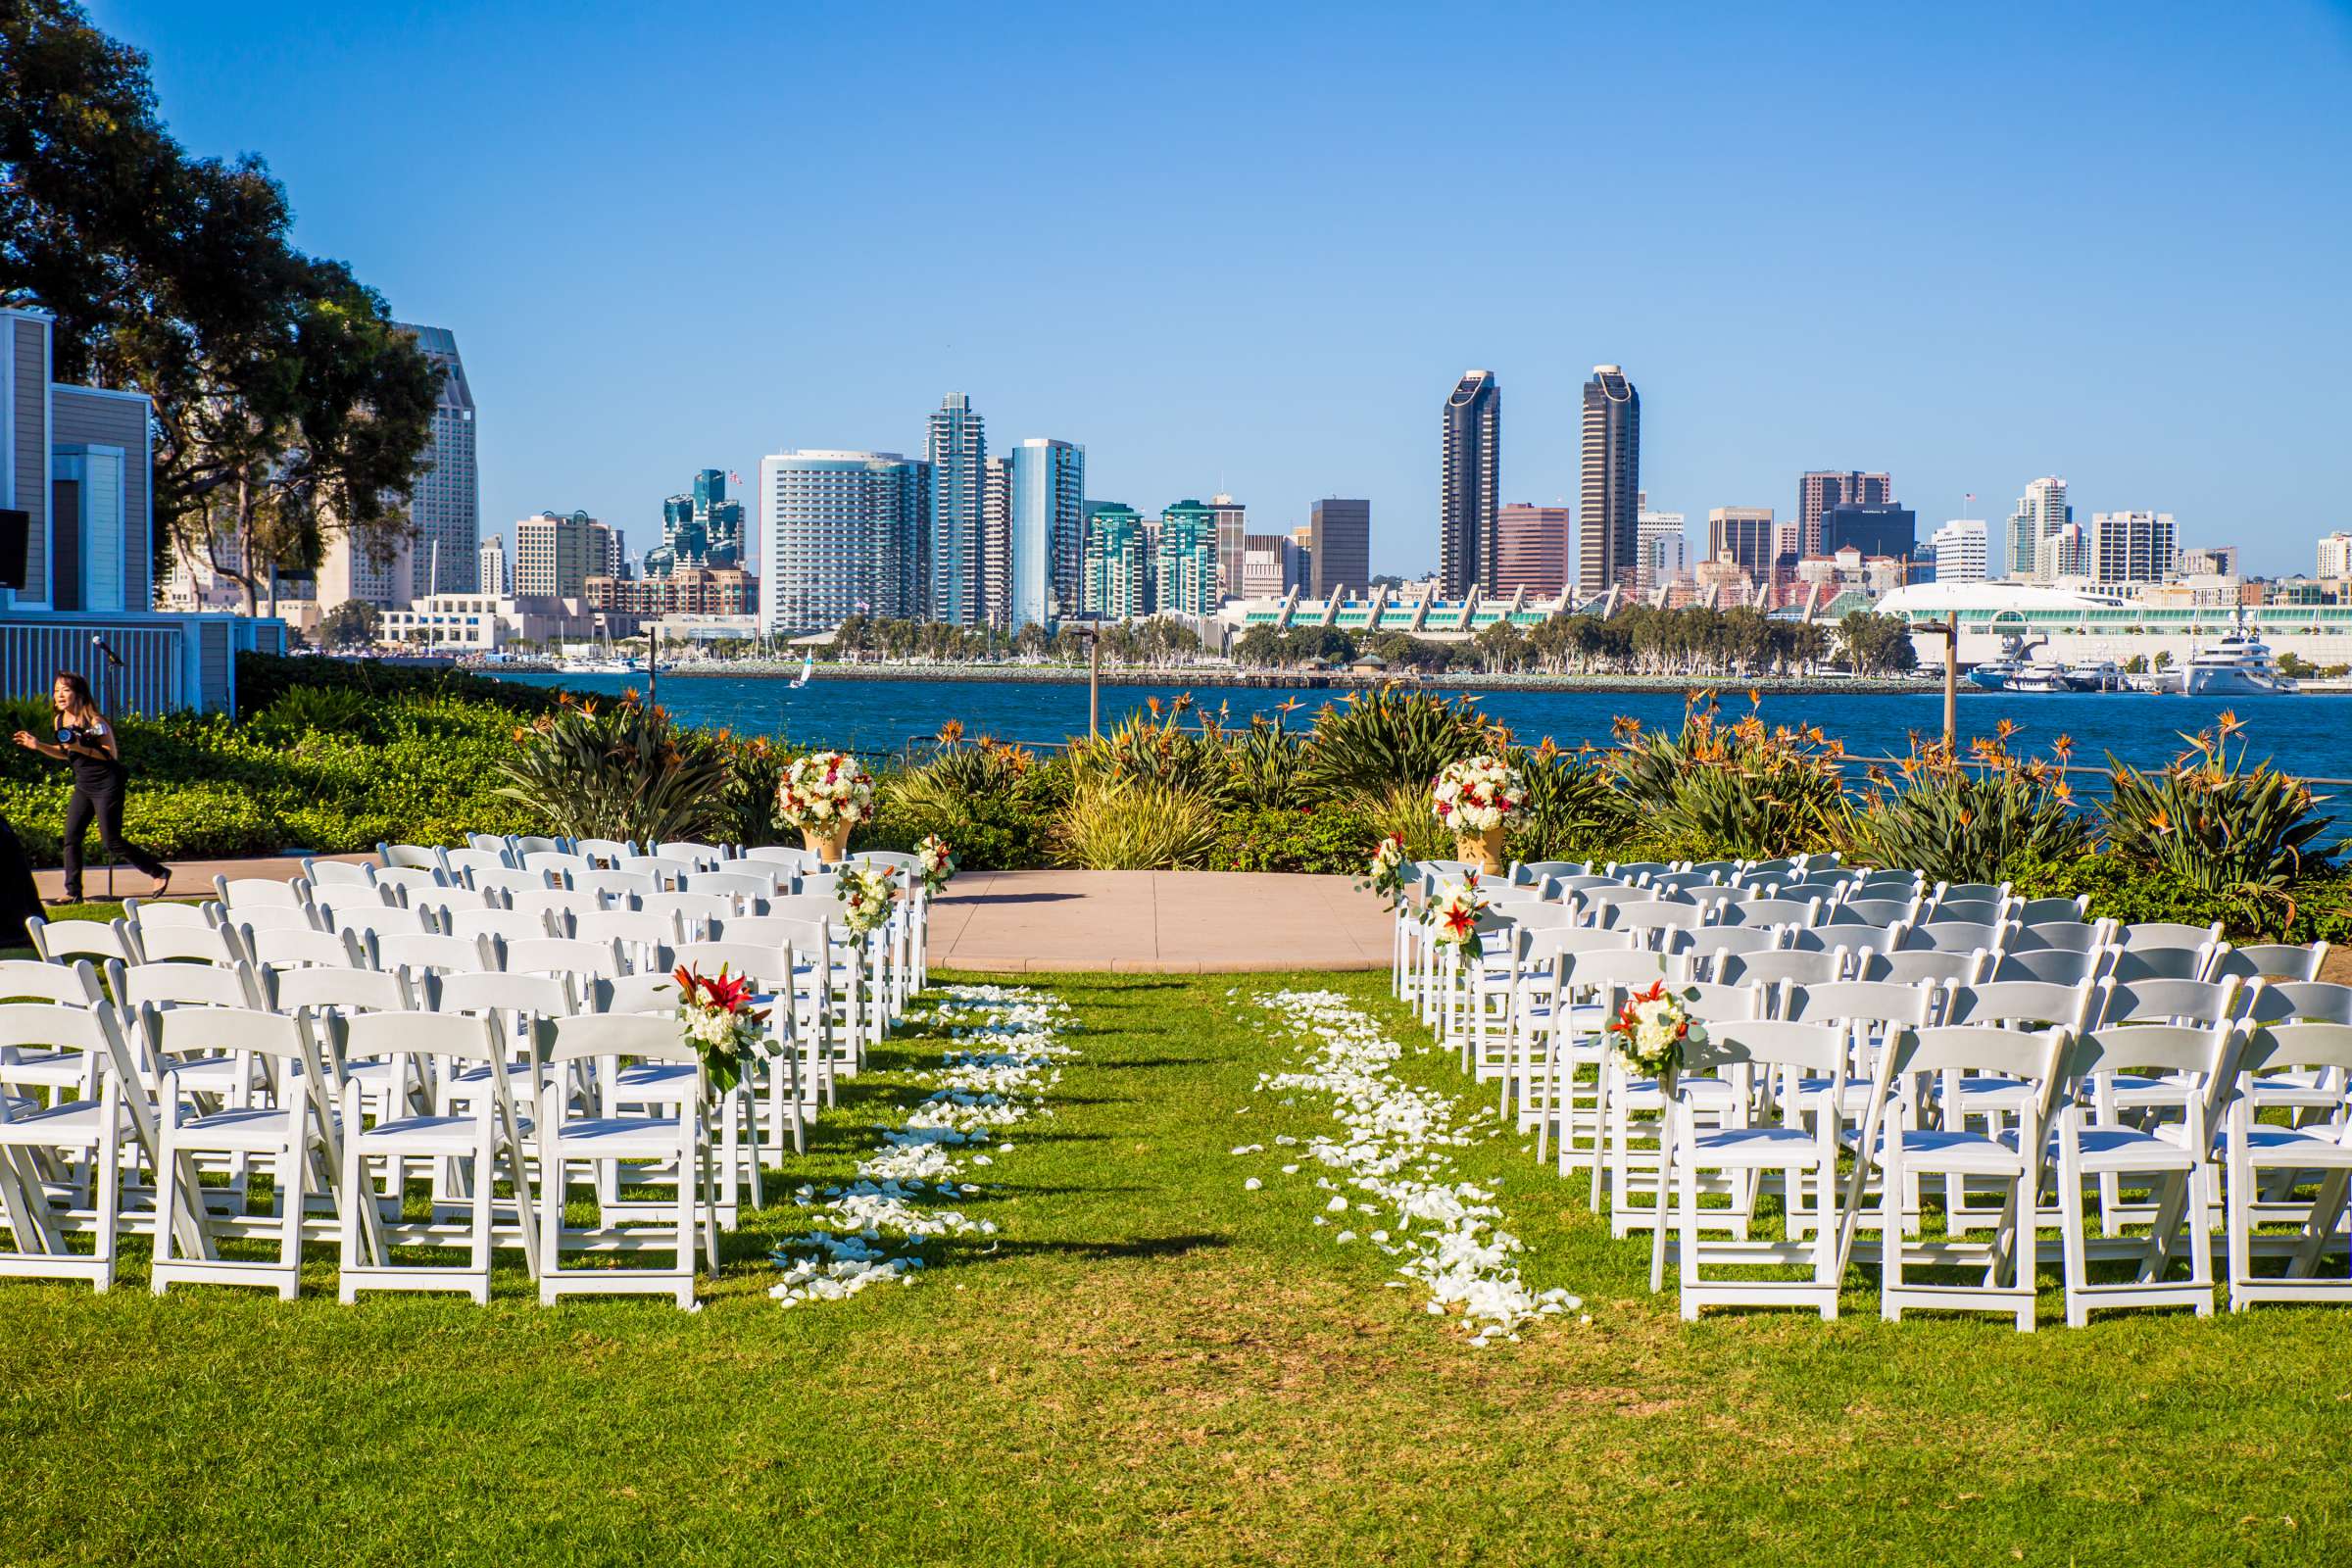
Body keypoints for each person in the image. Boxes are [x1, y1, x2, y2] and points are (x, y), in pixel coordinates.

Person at [12, 669, 171, 903]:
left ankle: (158, 872)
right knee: (71, 837)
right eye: (56, 690)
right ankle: (73, 892)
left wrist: (80, 747)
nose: (59, 695)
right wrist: (38, 745)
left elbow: (110, 754)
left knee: (111, 840)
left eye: (65, 690)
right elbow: (66, 753)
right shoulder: (60, 720)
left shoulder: (96, 721)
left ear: (79, 693)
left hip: (108, 781)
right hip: (84, 784)